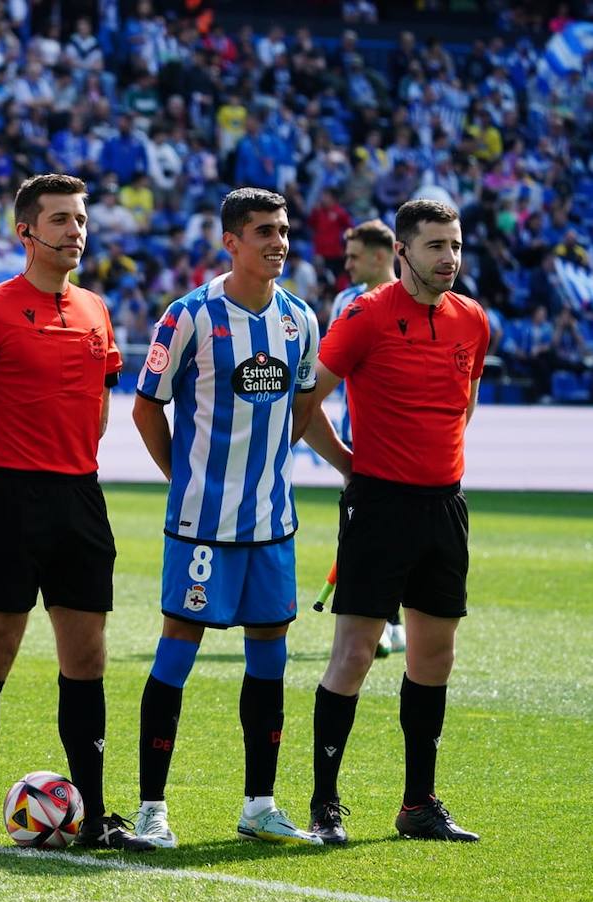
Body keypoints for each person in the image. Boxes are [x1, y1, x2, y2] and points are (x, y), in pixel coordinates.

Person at [0, 173, 151, 854]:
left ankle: (93, 817)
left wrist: (72, 468)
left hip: (80, 495)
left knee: (87, 656)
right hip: (11, 495)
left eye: (80, 219)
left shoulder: (94, 307)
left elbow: (99, 401)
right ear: (25, 231)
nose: (74, 231)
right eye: (59, 220)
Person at [131, 187, 347, 849]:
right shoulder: (188, 316)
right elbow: (146, 408)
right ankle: (151, 812)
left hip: (271, 526)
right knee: (176, 654)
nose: (279, 242)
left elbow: (305, 405)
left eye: (283, 232)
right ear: (231, 241)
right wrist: (189, 481)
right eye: (264, 232)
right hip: (200, 526)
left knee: (269, 660)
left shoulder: (300, 320)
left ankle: (259, 805)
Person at [303, 199, 488, 845]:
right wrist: (350, 465)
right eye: (437, 246)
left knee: (434, 659)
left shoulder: (472, 320)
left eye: (456, 245)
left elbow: (464, 405)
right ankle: (324, 806)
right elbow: (307, 399)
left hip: (445, 506)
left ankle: (418, 806)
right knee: (354, 653)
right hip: (379, 505)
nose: (450, 259)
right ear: (403, 252)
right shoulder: (366, 315)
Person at [326, 220, 406, 657]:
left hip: (397, 440)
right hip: (356, 437)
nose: (347, 262)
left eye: (355, 255)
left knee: (400, 533)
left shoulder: (407, 299)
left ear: (381, 256)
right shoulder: (345, 300)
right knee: (358, 528)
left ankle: (393, 620)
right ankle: (377, 621)